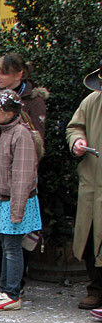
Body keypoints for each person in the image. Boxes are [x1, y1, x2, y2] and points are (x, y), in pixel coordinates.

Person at [0, 53, 49, 301]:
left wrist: (17, 202)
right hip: (1, 189)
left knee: (14, 245)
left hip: (17, 188)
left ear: (19, 74)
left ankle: (12, 289)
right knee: (3, 242)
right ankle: (1, 284)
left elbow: (29, 156)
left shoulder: (26, 116)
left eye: (4, 73)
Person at [66, 60, 102, 309]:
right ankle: (96, 289)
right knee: (90, 238)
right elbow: (74, 127)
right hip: (93, 183)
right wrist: (78, 141)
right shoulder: (92, 102)